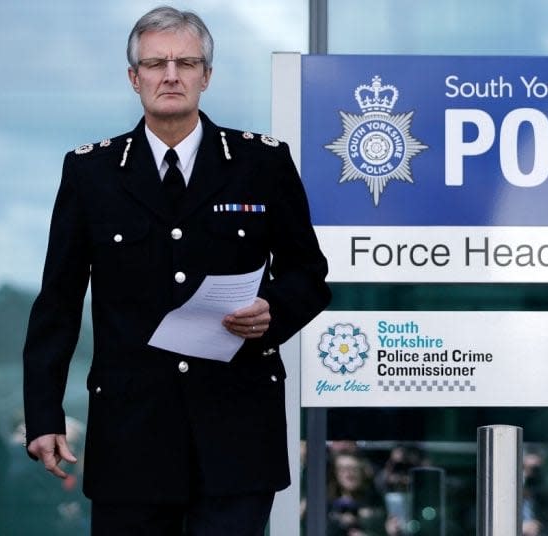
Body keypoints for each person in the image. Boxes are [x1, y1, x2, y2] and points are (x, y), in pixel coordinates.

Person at [22, 6, 330, 535]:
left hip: (236, 433)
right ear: (133, 77)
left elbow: (309, 274)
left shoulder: (263, 164)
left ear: (206, 76)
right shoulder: (91, 173)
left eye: (186, 63)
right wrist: (45, 415)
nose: (170, 75)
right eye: (156, 63)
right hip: (131, 439)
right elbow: (58, 302)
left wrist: (272, 311)